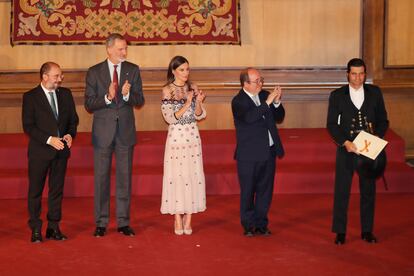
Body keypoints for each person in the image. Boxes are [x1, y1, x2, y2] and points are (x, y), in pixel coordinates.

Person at [85, 33, 145, 237]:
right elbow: (89, 104)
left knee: (124, 178)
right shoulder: (94, 72)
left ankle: (123, 222)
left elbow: (139, 100)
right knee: (101, 178)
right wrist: (108, 97)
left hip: (125, 132)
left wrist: (127, 94)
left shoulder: (132, 70)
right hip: (103, 133)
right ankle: (101, 222)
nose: (124, 52)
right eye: (120, 49)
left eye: (125, 48)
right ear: (109, 49)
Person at [327, 58, 389, 245]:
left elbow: (383, 120)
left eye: (361, 73)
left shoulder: (375, 92)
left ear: (365, 74)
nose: (358, 78)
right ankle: (340, 232)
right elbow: (331, 124)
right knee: (342, 191)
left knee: (368, 191)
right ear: (347, 74)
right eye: (354, 73)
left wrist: (376, 138)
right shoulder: (337, 95)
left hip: (368, 149)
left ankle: (367, 230)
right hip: (347, 148)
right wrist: (345, 142)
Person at [22, 62, 79, 243]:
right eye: (56, 76)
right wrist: (49, 139)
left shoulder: (66, 94)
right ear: (45, 76)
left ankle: (53, 227)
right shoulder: (30, 97)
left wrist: (70, 134)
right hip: (40, 152)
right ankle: (36, 229)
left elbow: (73, 120)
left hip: (61, 152)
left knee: (56, 191)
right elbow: (28, 126)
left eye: (60, 76)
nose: (60, 79)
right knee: (35, 192)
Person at [231, 67, 285, 237]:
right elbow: (250, 118)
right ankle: (248, 225)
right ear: (245, 84)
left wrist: (276, 102)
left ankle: (262, 223)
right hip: (248, 154)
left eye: (261, 80)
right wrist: (268, 103)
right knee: (248, 191)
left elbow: (279, 117)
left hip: (268, 151)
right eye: (257, 81)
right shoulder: (238, 101)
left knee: (265, 190)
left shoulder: (264, 95)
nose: (261, 83)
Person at [160, 56, 207, 235]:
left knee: (192, 175)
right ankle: (177, 217)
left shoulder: (193, 88)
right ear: (173, 71)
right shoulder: (167, 90)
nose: (186, 73)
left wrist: (199, 102)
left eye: (187, 69)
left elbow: (199, 115)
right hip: (177, 138)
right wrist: (187, 103)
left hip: (192, 136)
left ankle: (189, 217)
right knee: (177, 176)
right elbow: (170, 118)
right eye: (182, 70)